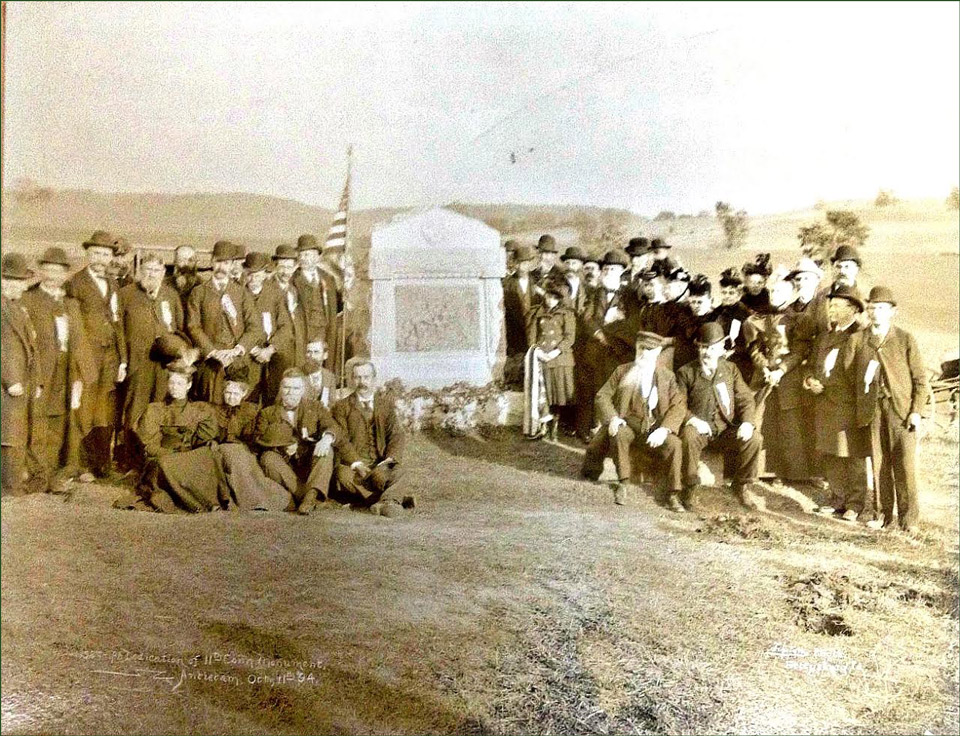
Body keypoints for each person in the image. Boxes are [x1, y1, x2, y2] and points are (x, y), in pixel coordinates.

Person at [581, 331, 685, 507]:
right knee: (619, 433)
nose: (644, 353)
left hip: (654, 428)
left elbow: (679, 405)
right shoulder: (622, 371)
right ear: (637, 348)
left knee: (675, 444)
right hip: (628, 423)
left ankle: (673, 493)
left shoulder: (667, 377)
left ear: (658, 352)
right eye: (641, 348)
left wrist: (664, 429)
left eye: (650, 350)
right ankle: (623, 482)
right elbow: (602, 396)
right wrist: (613, 418)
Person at [858, 287, 928, 533]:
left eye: (880, 308)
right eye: (871, 308)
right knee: (879, 464)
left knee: (905, 466)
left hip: (901, 411)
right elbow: (848, 374)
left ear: (892, 312)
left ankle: (909, 520)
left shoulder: (905, 339)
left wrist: (916, 411)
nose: (875, 313)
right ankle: (883, 515)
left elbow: (920, 379)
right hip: (873, 410)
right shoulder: (860, 339)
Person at [22, 247, 95, 482]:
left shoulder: (71, 304)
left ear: (65, 275)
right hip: (41, 369)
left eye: (59, 271)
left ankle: (62, 466)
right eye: (49, 270)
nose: (54, 276)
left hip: (67, 368)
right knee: (39, 416)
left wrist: (85, 375)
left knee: (64, 416)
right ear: (41, 272)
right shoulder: (30, 300)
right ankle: (37, 468)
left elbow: (80, 339)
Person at [804, 284, 873, 522]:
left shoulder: (861, 337)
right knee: (830, 452)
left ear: (853, 309)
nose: (830, 309)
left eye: (836, 305)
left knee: (852, 454)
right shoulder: (826, 336)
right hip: (824, 404)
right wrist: (810, 380)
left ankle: (855, 504)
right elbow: (813, 365)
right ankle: (837, 500)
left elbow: (858, 375)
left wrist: (827, 385)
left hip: (848, 405)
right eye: (830, 305)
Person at [676, 323, 762, 511]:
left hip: (725, 430)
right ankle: (689, 487)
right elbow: (678, 405)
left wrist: (747, 423)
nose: (707, 352)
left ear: (722, 348)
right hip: (700, 431)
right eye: (703, 347)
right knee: (688, 436)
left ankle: (741, 485)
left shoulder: (730, 370)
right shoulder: (686, 372)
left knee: (755, 438)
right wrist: (693, 420)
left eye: (712, 348)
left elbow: (745, 400)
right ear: (698, 347)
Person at [65, 230, 128, 480]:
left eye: (105, 254)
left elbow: (117, 322)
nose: (101, 258)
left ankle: (101, 465)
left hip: (110, 358)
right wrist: (81, 361)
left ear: (111, 257)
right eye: (96, 253)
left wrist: (122, 359)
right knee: (84, 409)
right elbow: (74, 328)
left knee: (105, 411)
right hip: (87, 358)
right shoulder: (75, 283)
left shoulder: (113, 284)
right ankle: (80, 465)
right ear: (88, 254)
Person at [117, 253, 186, 466]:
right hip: (138, 363)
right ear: (139, 272)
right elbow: (118, 330)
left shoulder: (171, 295)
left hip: (165, 365)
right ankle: (130, 459)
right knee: (135, 410)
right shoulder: (125, 294)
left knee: (160, 408)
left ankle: (156, 460)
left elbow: (180, 329)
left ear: (163, 273)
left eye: (156, 270)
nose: (151, 274)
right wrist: (123, 360)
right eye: (147, 270)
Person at [136, 360, 222, 513]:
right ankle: (197, 504)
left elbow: (207, 435)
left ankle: (212, 500)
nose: (174, 388)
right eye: (172, 383)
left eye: (179, 384)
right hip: (162, 457)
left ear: (188, 385)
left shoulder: (198, 410)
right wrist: (171, 454)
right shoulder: (156, 410)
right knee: (166, 463)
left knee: (208, 454)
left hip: (187, 455)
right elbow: (149, 445)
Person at [331, 359, 411, 518]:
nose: (362, 382)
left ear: (374, 379)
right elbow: (341, 440)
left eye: (366, 377)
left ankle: (383, 502)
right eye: (358, 377)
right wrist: (356, 463)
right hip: (354, 465)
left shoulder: (385, 405)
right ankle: (391, 499)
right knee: (342, 475)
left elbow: (396, 435)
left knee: (400, 471)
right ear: (352, 379)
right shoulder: (342, 406)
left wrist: (388, 461)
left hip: (380, 463)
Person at [255, 368, 341, 515]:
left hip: (310, 464)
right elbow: (259, 439)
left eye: (296, 388)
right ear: (280, 389)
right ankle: (307, 497)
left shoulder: (315, 407)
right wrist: (284, 445)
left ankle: (310, 496)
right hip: (285, 465)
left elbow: (332, 426)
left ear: (303, 390)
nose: (290, 392)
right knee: (268, 458)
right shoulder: (267, 413)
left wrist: (327, 437)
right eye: (286, 387)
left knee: (327, 450)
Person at [186, 240, 261, 403]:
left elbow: (255, 327)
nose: (221, 267)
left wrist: (238, 350)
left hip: (237, 361)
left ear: (232, 264)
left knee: (236, 408)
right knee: (210, 406)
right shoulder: (199, 292)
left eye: (226, 263)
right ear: (212, 261)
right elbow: (193, 326)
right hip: (211, 361)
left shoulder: (241, 293)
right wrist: (213, 352)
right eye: (218, 261)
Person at [215, 363, 291, 512]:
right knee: (233, 456)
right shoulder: (216, 410)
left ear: (244, 394)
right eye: (228, 393)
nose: (231, 397)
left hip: (246, 450)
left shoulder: (251, 411)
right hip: (222, 448)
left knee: (248, 466)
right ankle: (254, 501)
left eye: (235, 394)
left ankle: (268, 499)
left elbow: (255, 437)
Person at [575, 249, 634, 439]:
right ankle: (585, 430)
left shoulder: (628, 295)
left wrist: (614, 331)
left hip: (617, 352)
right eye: (606, 269)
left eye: (613, 269)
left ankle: (612, 431)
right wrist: (599, 333)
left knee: (611, 392)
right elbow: (586, 318)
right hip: (594, 349)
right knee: (587, 389)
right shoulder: (596, 293)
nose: (609, 272)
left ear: (621, 272)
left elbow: (632, 322)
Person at [1, 254, 38, 495]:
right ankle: (9, 486)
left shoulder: (17, 307)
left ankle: (13, 483)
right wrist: (10, 379)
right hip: (9, 383)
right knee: (8, 434)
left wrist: (34, 380)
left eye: (20, 281)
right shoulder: (4, 308)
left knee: (15, 431)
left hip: (22, 380)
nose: (17, 285)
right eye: (10, 280)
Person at [523, 282, 576, 441]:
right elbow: (532, 335)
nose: (550, 300)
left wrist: (555, 352)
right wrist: (537, 350)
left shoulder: (567, 314)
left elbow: (569, 337)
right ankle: (544, 424)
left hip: (560, 358)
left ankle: (556, 425)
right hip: (542, 358)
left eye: (554, 297)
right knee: (544, 393)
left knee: (560, 395)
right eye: (548, 296)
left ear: (559, 299)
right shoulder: (536, 313)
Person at [243, 252, 292, 403]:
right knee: (248, 398)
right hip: (248, 355)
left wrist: (270, 350)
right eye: (250, 274)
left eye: (257, 275)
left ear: (265, 274)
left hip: (272, 356)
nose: (253, 279)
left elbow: (286, 326)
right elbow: (235, 327)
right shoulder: (238, 293)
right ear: (245, 273)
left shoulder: (275, 295)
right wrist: (253, 349)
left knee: (272, 397)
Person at [293, 234, 339, 372]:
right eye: (302, 255)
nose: (304, 258)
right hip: (304, 332)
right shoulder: (293, 280)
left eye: (308, 254)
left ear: (317, 256)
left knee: (325, 367)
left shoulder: (328, 279)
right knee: (305, 367)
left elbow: (335, 307)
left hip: (325, 330)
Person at [270, 243, 308, 388]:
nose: (286, 272)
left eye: (289, 267)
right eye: (282, 267)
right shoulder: (268, 289)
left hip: (296, 352)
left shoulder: (293, 290)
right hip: (277, 354)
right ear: (275, 266)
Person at [502, 244, 540, 362]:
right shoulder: (506, 285)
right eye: (519, 263)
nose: (522, 267)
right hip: (514, 339)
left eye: (525, 263)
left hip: (535, 338)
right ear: (514, 264)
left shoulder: (538, 283)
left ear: (529, 264)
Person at [167, 244, 202, 310]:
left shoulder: (203, 287)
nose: (186, 264)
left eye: (190, 260)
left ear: (196, 262)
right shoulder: (164, 286)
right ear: (175, 262)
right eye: (181, 260)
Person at [559, 246, 589, 314]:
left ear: (580, 265)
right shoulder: (556, 285)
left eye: (574, 263)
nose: (570, 267)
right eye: (567, 263)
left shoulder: (587, 288)